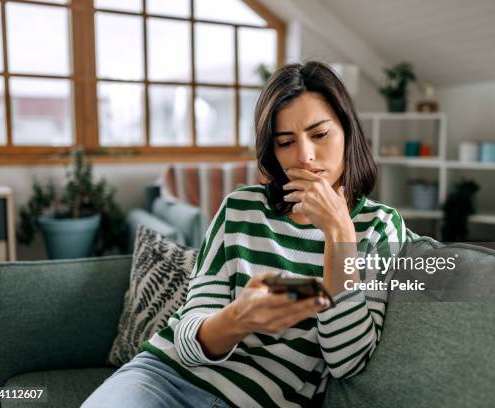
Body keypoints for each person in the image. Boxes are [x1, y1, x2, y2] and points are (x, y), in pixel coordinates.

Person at [82, 61, 408, 408]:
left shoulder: (378, 227)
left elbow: (348, 362)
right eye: (286, 142)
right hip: (163, 378)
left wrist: (339, 231)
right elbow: (188, 340)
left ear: (347, 130)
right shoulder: (241, 207)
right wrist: (239, 317)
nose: (305, 156)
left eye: (320, 134)